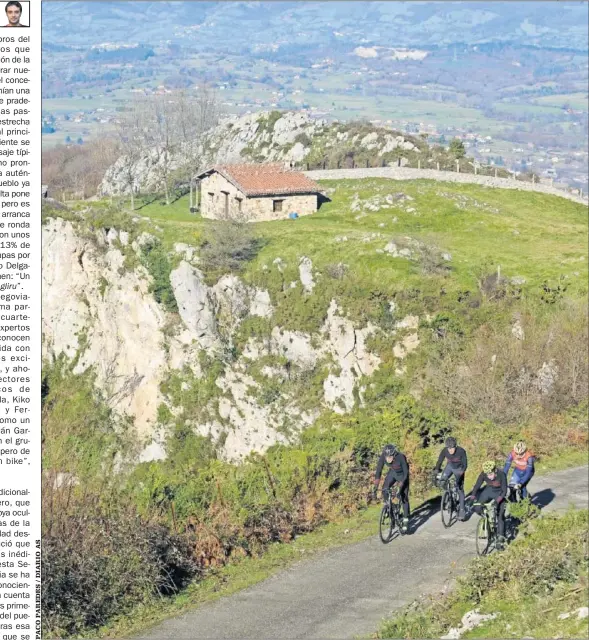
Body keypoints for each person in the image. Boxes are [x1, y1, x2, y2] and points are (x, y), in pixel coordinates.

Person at [467, 460, 508, 547]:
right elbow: (477, 486)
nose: (489, 477)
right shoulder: (484, 474)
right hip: (488, 491)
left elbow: (504, 490)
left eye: (491, 474)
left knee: (500, 516)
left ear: (495, 470)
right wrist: (472, 497)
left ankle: (501, 538)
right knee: (477, 507)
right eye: (487, 475)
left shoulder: (501, 474)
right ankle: (487, 521)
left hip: (499, 493)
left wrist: (497, 502)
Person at [372, 444, 410, 533]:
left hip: (402, 476)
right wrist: (375, 486)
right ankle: (391, 510)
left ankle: (405, 519)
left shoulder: (400, 457)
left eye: (390, 457)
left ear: (394, 454)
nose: (388, 459)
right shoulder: (383, 456)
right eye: (386, 457)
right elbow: (378, 470)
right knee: (384, 490)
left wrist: (400, 485)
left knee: (403, 496)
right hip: (393, 473)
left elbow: (406, 473)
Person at [433, 436, 467, 520]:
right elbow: (440, 461)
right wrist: (437, 469)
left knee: (459, 489)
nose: (450, 450)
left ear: (455, 446)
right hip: (450, 467)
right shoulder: (445, 451)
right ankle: (447, 495)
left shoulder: (461, 451)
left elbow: (465, 464)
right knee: (442, 481)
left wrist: (461, 472)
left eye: (452, 448)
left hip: (459, 469)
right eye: (449, 448)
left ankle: (462, 510)